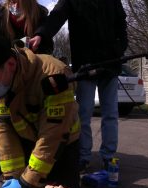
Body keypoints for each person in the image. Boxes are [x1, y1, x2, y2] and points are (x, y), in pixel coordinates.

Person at [0, 34, 81, 188]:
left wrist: (27, 183)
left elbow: (53, 136)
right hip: (25, 139)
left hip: (61, 145)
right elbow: (4, 134)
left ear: (10, 65)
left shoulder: (53, 74)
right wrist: (13, 178)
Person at [29, 0, 128, 171]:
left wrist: (119, 50)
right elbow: (56, 16)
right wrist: (41, 34)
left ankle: (109, 157)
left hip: (110, 64)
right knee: (83, 114)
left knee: (110, 113)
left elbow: (121, 26)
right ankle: (83, 157)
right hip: (85, 65)